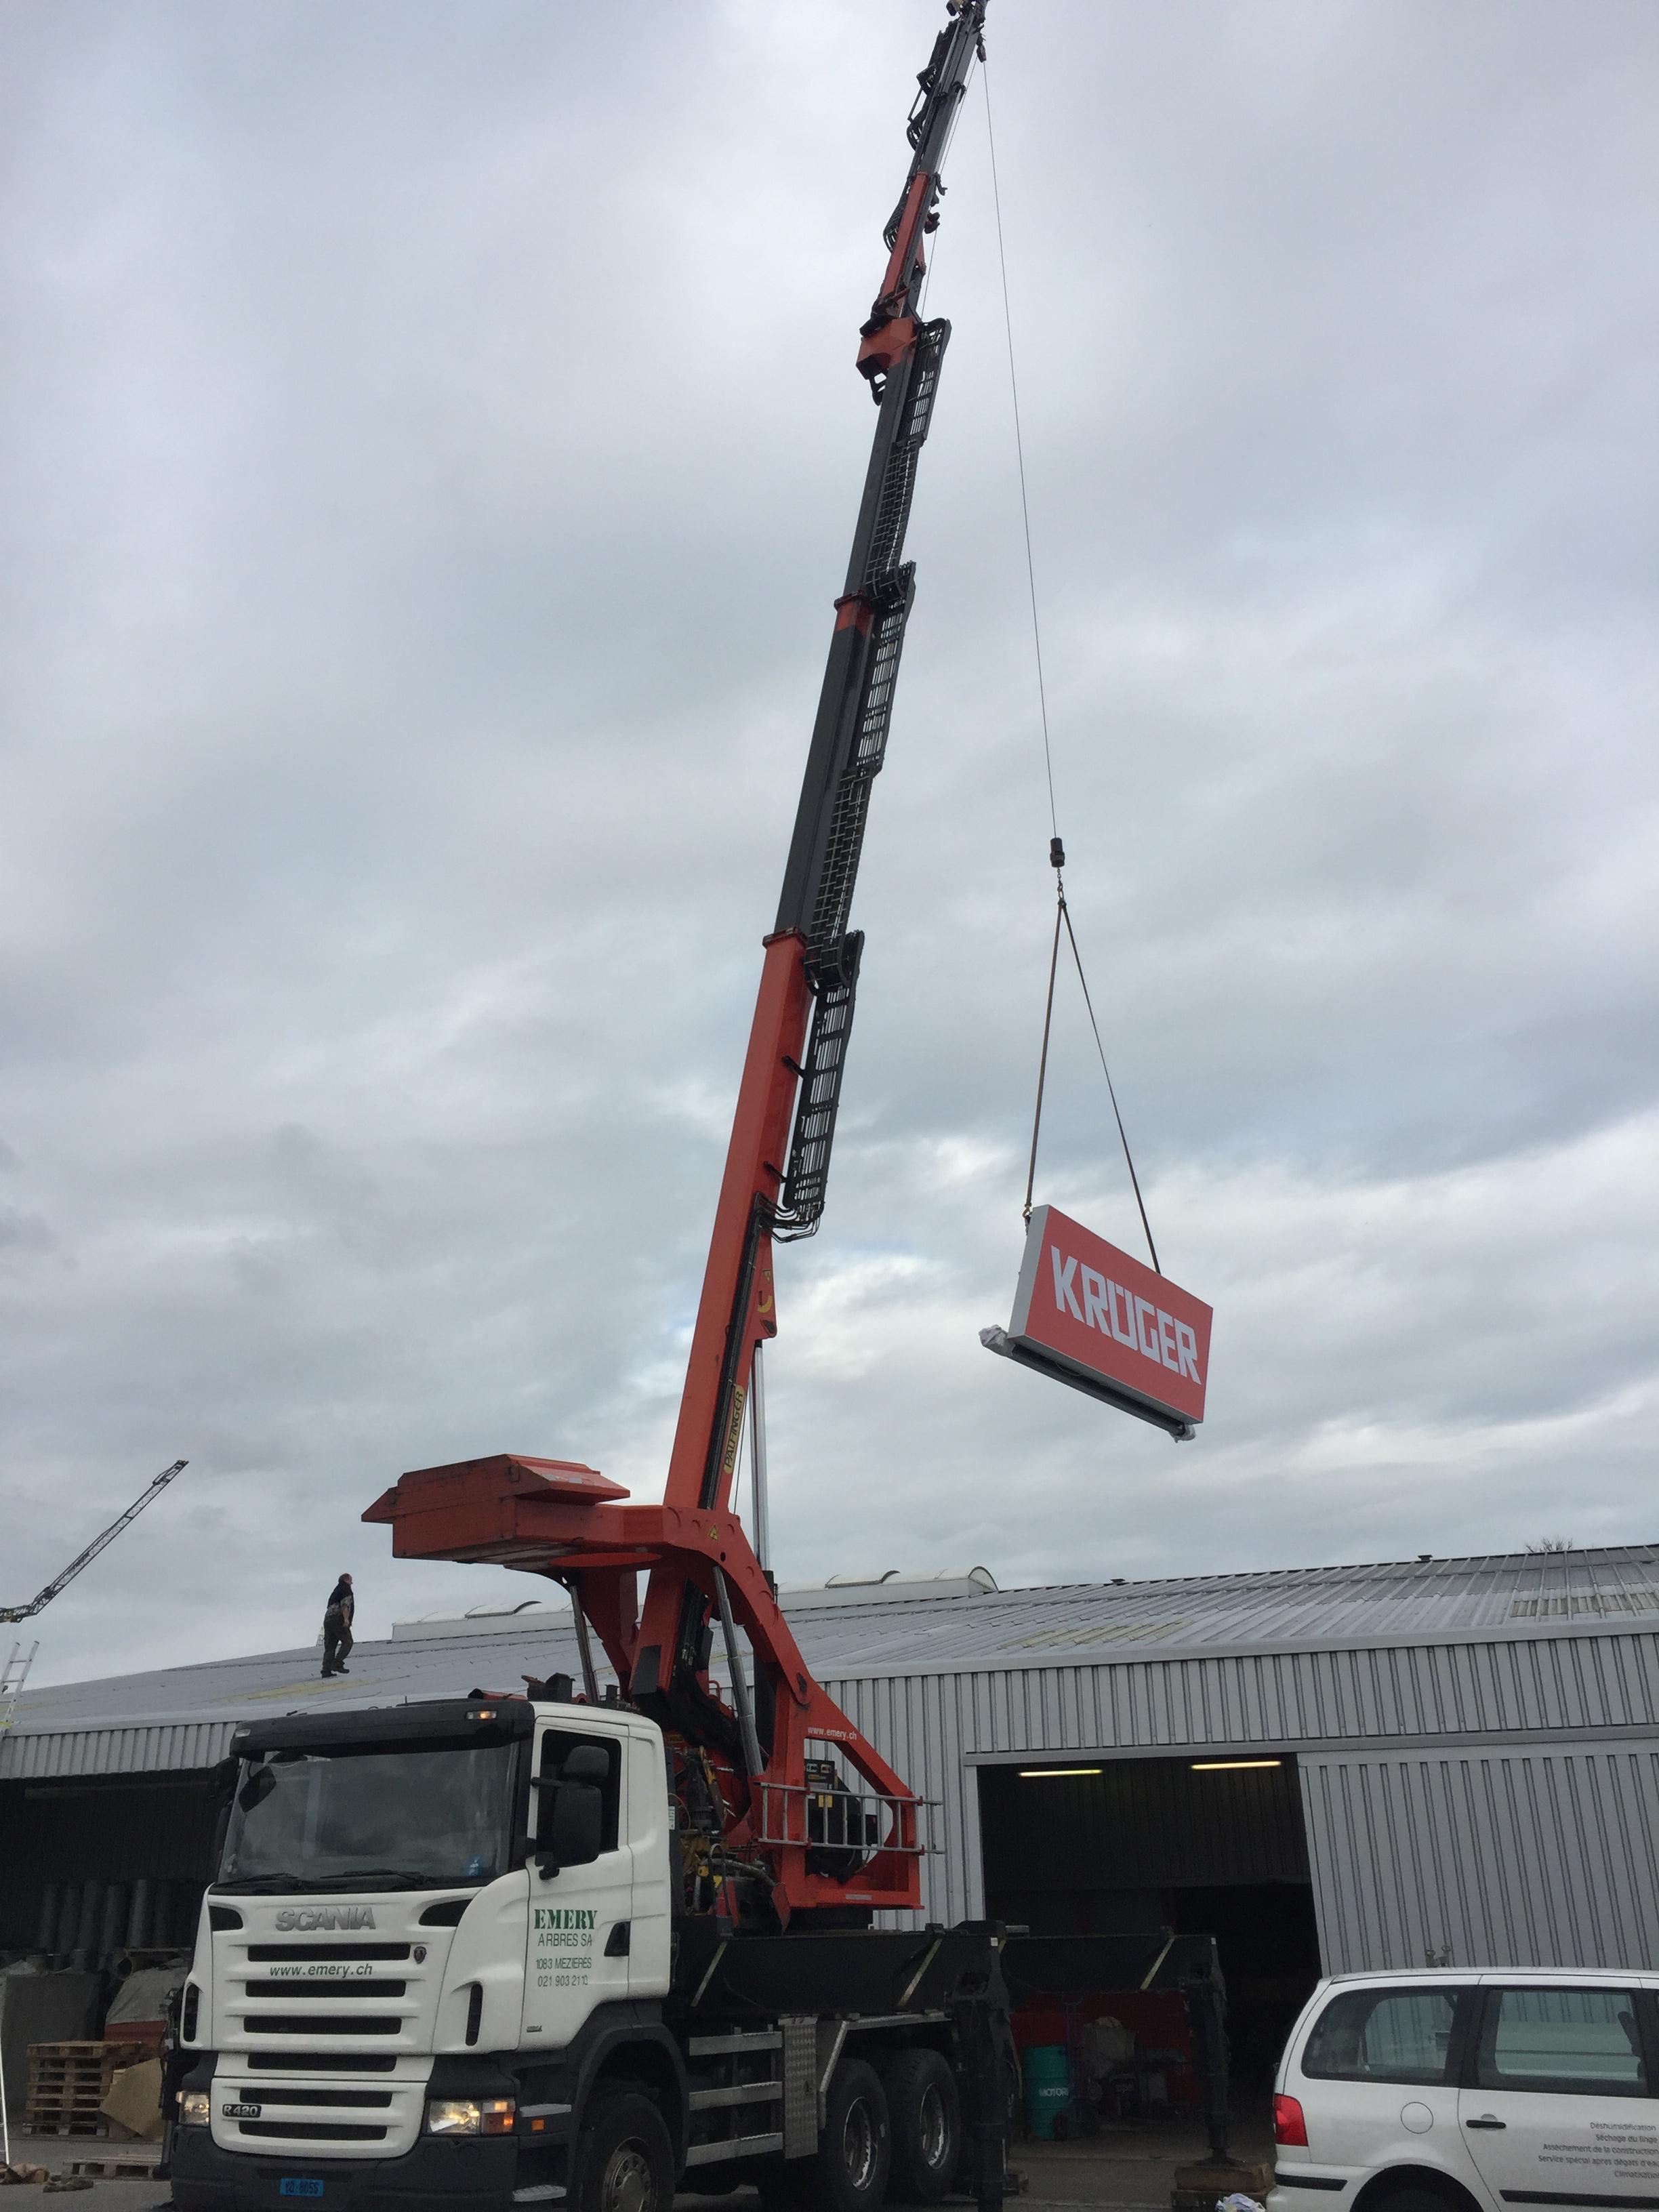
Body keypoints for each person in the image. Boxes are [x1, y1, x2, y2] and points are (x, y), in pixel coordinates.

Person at [321, 1572, 355, 1677]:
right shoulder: (346, 1589)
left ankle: (326, 1670)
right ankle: (338, 1663)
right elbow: (345, 1604)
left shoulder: (335, 1591)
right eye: (351, 1580)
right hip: (338, 1619)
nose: (352, 1583)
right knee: (348, 1641)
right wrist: (346, 1619)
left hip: (328, 1620)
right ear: (346, 1580)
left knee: (330, 1646)